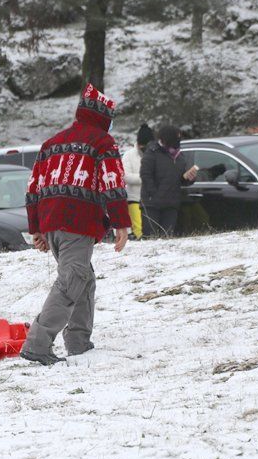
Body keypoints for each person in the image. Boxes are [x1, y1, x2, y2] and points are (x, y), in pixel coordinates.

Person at [21, 83, 131, 366]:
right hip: (77, 223)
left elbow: (34, 187)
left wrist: (37, 228)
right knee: (72, 280)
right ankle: (37, 343)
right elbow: (113, 183)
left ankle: (79, 341)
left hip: (51, 223)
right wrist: (121, 223)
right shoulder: (102, 143)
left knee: (83, 278)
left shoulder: (51, 144)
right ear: (103, 118)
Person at [140, 125, 198, 237]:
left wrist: (188, 178)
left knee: (167, 237)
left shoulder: (180, 156)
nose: (178, 142)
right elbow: (145, 175)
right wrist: (154, 195)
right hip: (152, 204)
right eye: (176, 138)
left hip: (171, 204)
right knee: (150, 238)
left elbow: (180, 180)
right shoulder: (152, 152)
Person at [121, 123, 152, 240]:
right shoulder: (129, 155)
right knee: (140, 231)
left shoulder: (154, 154)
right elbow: (126, 176)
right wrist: (146, 177)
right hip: (134, 199)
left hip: (152, 200)